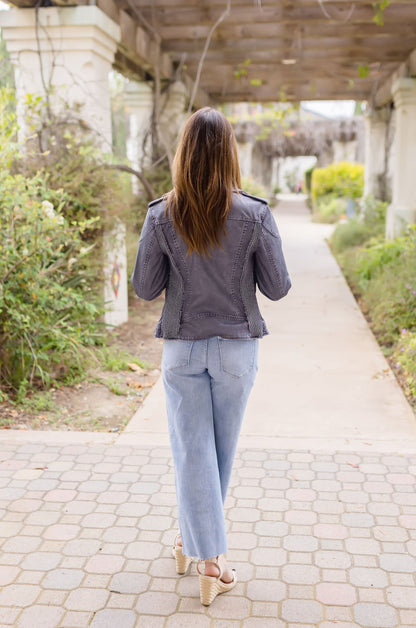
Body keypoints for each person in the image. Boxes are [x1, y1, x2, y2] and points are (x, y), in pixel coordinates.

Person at [131, 107, 291, 606]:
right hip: (237, 350)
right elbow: (278, 287)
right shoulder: (255, 213)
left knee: (194, 451)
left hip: (181, 347)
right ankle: (212, 559)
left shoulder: (161, 214)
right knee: (214, 452)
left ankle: (191, 542)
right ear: (229, 153)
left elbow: (144, 287)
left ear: (182, 153)